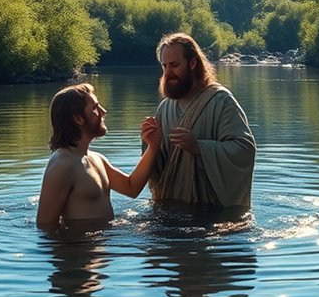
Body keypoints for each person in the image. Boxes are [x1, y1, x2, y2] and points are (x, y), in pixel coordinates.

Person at [147, 32, 256, 209]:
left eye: (174, 65)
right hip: (171, 208)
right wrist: (151, 144)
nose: (168, 73)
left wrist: (199, 147)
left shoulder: (221, 101)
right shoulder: (165, 108)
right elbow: (157, 167)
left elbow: (245, 150)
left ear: (192, 63)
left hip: (211, 211)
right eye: (164, 66)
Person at [36, 82, 161, 229]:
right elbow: (45, 224)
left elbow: (131, 187)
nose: (103, 111)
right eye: (95, 107)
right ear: (78, 119)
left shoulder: (96, 159)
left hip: (101, 246)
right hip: (78, 248)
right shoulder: (62, 164)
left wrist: (153, 147)